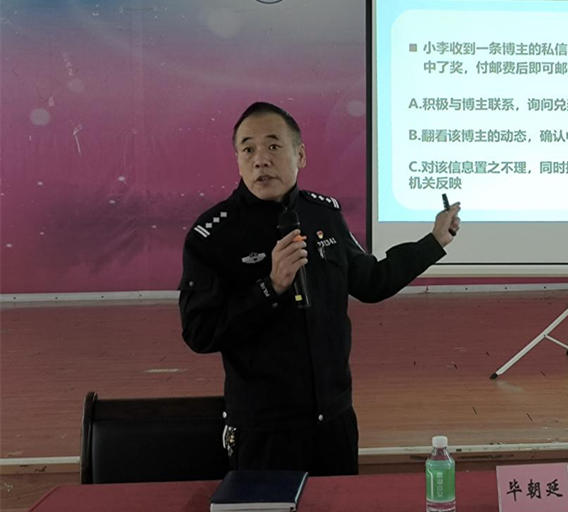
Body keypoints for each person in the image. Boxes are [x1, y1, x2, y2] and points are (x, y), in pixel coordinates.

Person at [178, 101, 461, 476]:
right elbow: (200, 332)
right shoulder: (214, 234)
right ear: (238, 160)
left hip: (334, 420)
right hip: (264, 428)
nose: (260, 159)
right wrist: (270, 287)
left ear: (300, 154)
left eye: (273, 145)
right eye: (248, 149)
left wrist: (433, 241)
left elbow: (371, 282)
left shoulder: (323, 214)